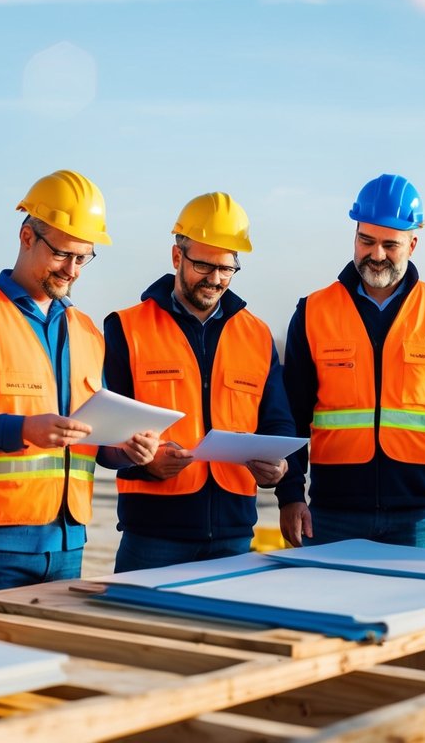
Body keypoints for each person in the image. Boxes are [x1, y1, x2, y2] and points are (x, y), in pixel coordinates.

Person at [0, 170, 158, 594]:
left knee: (51, 662)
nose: (72, 270)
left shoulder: (86, 330)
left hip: (69, 546)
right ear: (27, 236)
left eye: (83, 257)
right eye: (63, 254)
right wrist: (22, 429)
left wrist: (126, 450)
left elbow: (94, 444)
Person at [279, 174, 425, 550]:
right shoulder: (314, 311)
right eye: (367, 241)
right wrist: (291, 494)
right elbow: (289, 415)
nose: (376, 254)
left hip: (419, 518)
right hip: (330, 515)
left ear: (413, 243)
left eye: (389, 244)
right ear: (355, 235)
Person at [99, 192, 294, 572]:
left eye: (226, 268)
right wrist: (144, 462)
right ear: (177, 258)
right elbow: (105, 440)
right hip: (151, 538)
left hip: (235, 536)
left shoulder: (257, 334)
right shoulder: (126, 328)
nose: (216, 279)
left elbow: (278, 422)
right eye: (204, 266)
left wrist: (279, 469)